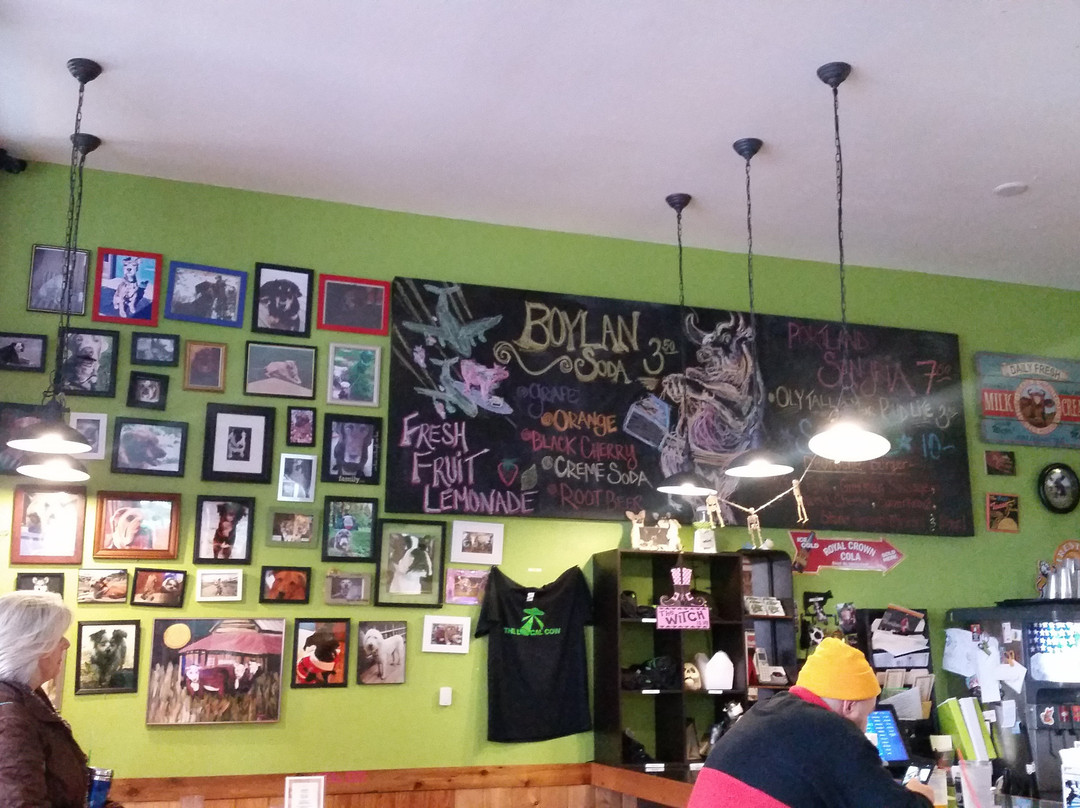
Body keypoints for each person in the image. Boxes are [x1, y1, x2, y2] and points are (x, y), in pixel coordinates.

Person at [688, 637, 934, 808]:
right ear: (849, 706)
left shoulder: (764, 711)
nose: (865, 725)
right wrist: (921, 795)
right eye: (866, 715)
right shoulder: (836, 732)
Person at [0, 591, 121, 807]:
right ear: (36, 645)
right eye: (58, 637)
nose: (66, 644)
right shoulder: (10, 719)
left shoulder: (27, 700)